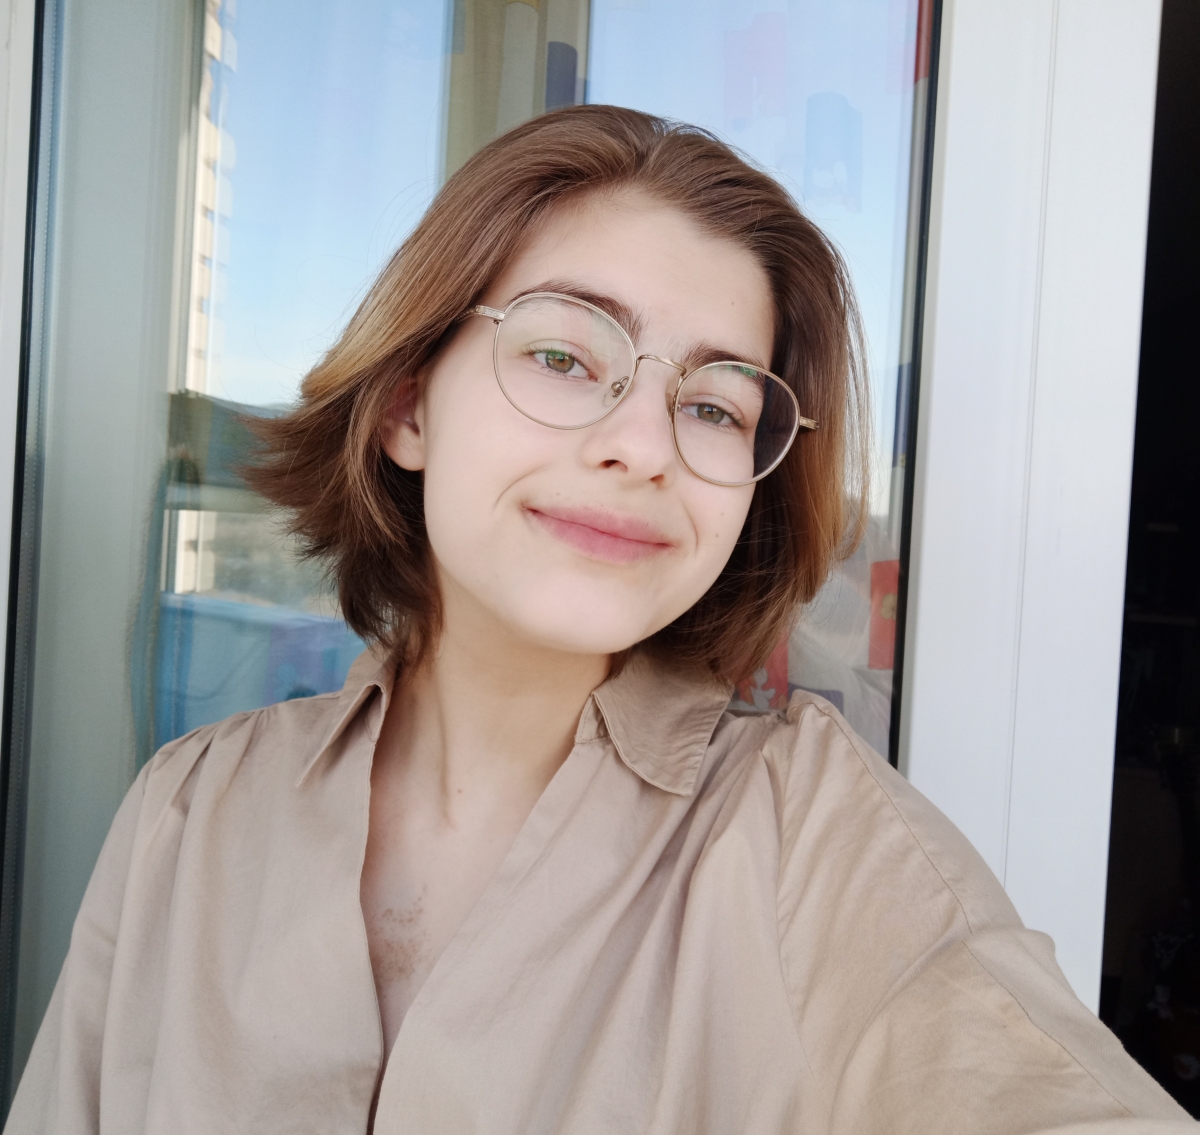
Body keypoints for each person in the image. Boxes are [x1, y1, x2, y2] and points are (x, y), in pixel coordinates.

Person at [5, 106, 1193, 1134]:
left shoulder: (817, 847)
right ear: (409, 407)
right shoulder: (188, 814)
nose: (642, 445)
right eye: (566, 356)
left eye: (716, 408)